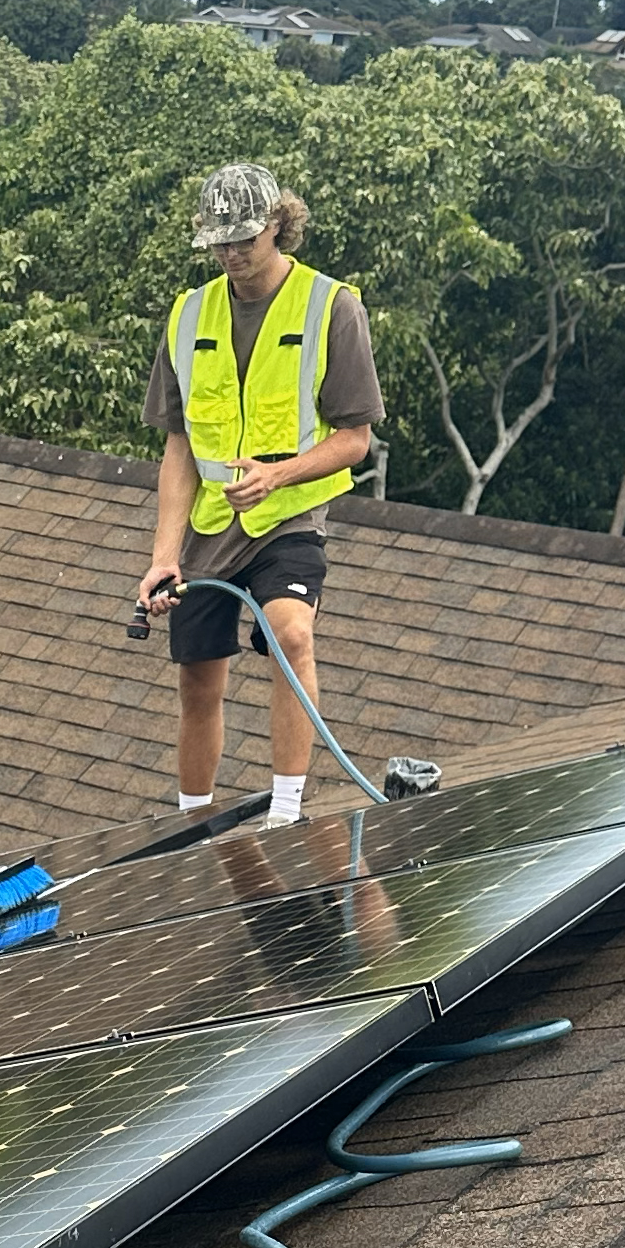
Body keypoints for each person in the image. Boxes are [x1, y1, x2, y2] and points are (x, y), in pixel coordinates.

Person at [134, 160, 383, 824]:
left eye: (244, 238)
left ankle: (286, 812)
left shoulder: (332, 306)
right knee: (198, 677)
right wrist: (164, 556)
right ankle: (191, 822)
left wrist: (276, 475)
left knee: (290, 632)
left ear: (278, 224)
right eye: (220, 242)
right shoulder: (189, 315)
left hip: (288, 516)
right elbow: (180, 447)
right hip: (210, 526)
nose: (232, 253)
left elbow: (354, 439)